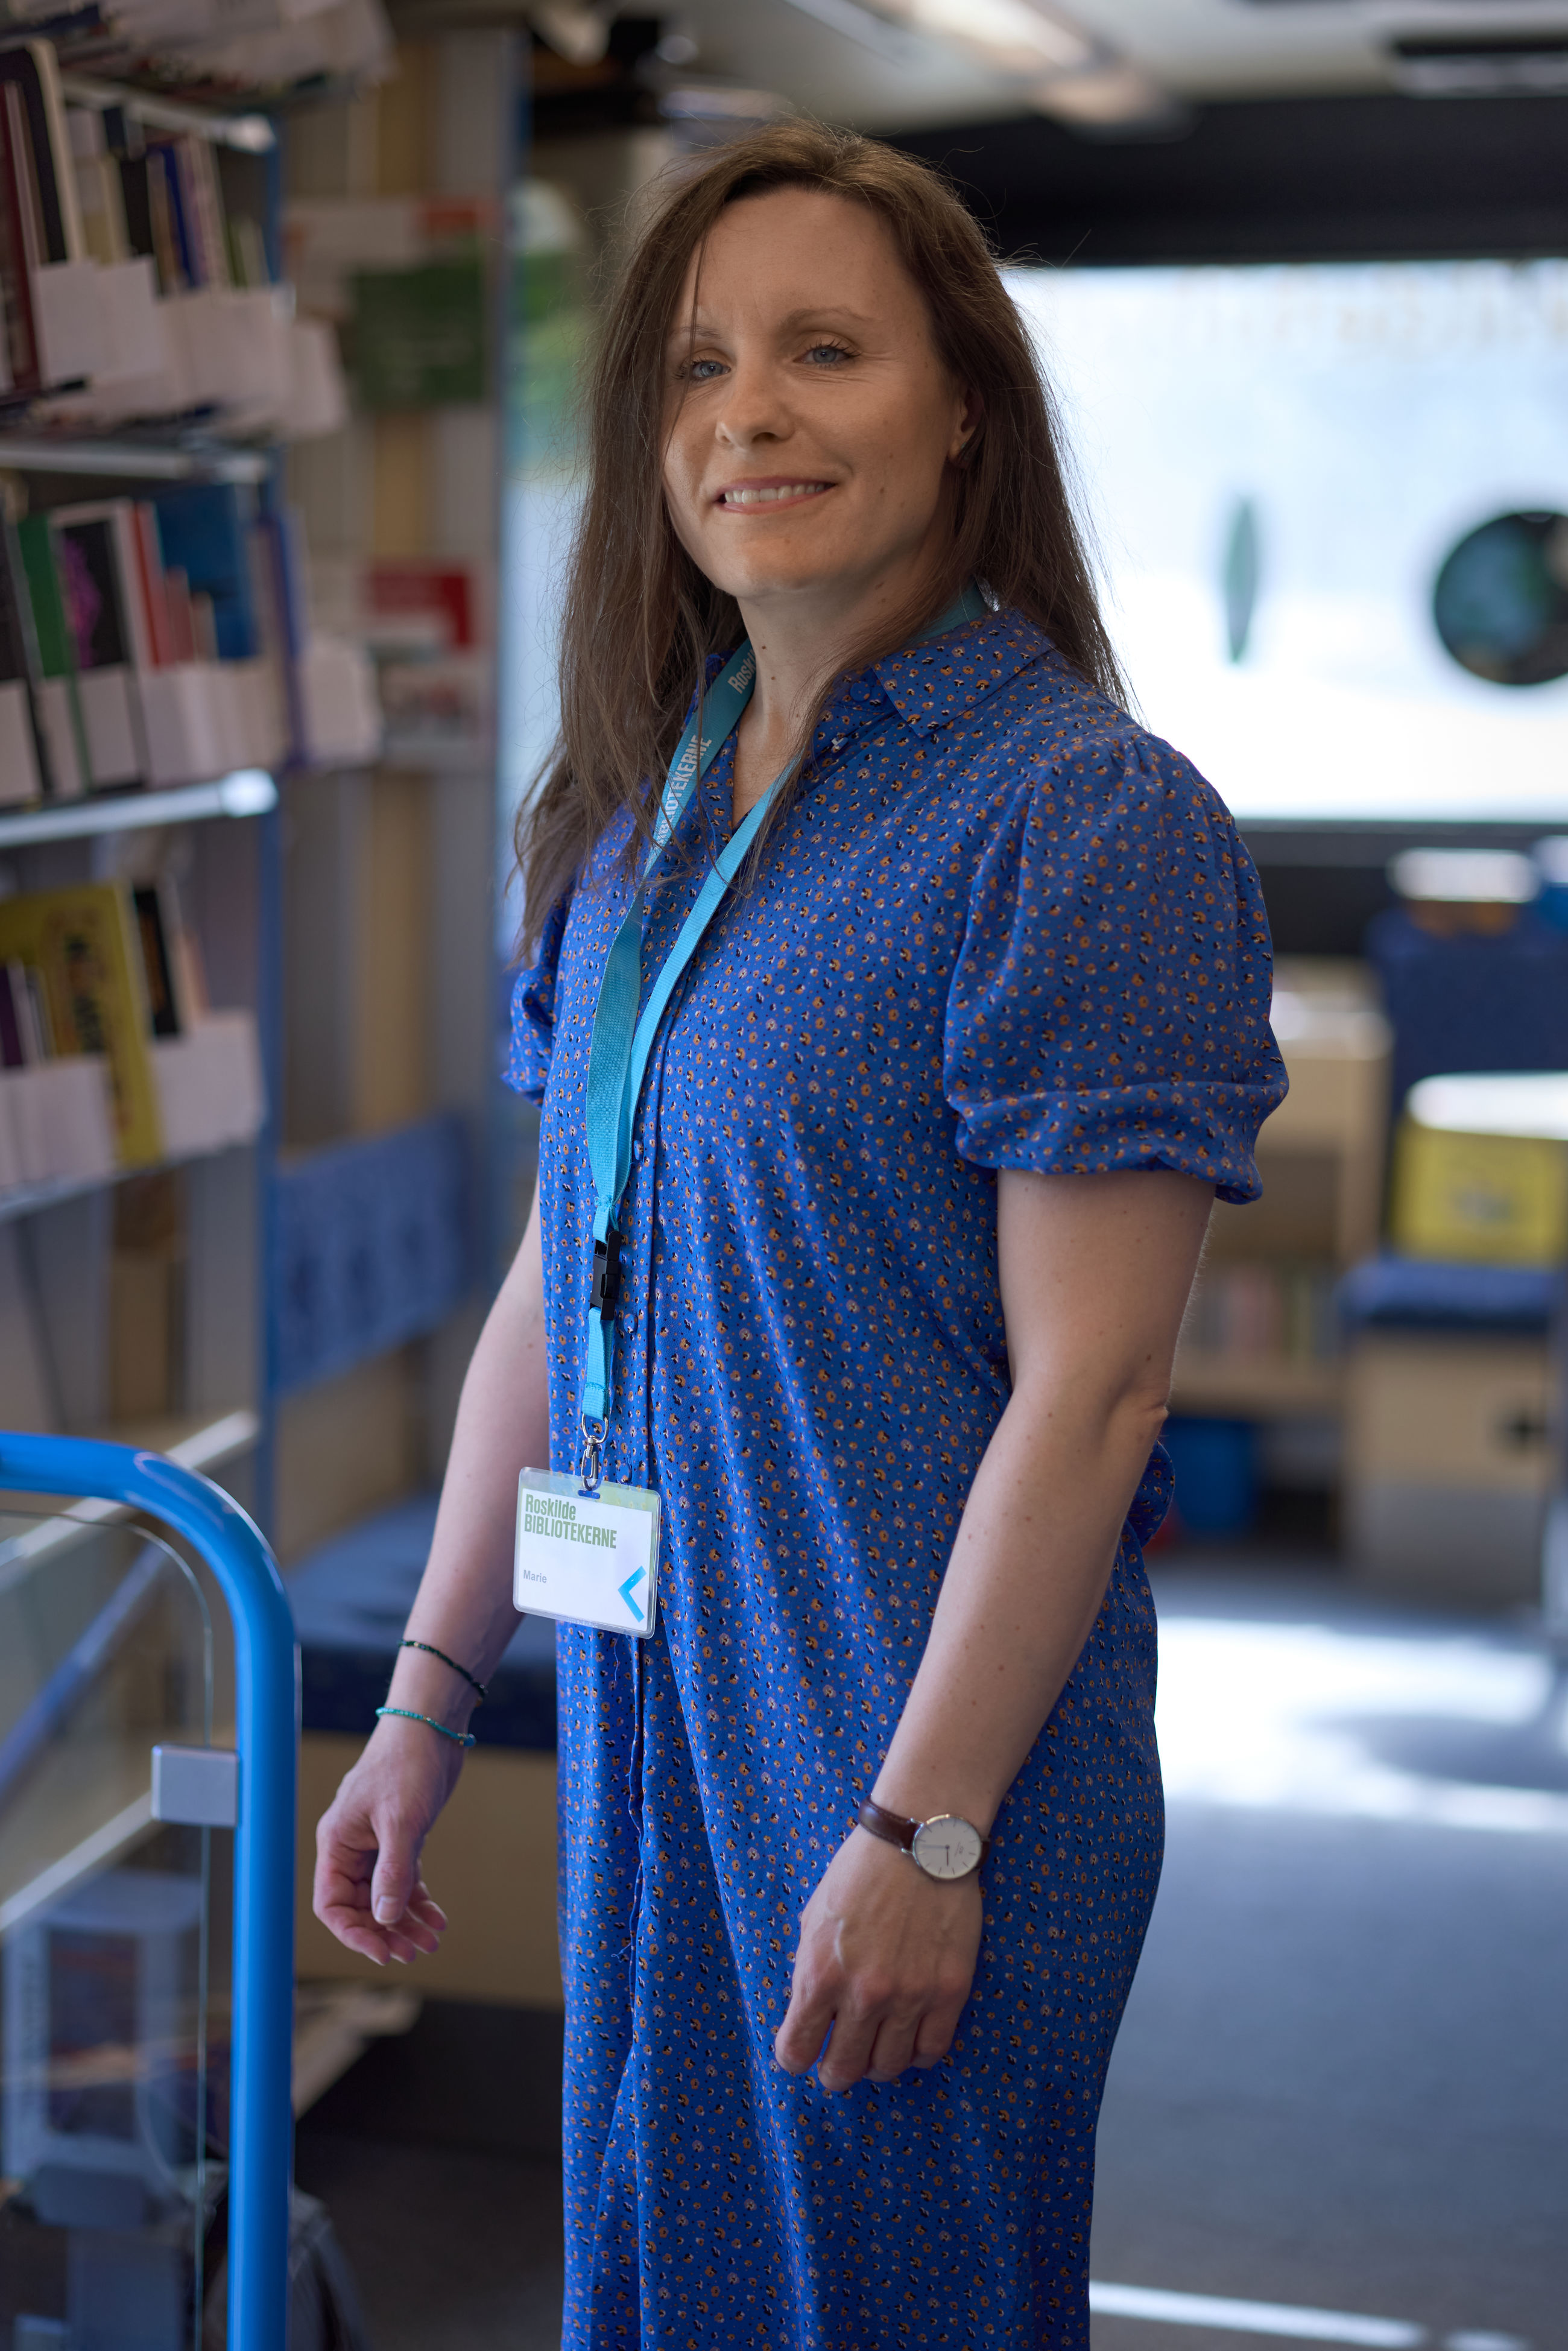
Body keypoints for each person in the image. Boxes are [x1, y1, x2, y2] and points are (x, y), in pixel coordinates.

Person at [313, 121, 1287, 2350]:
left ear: (965, 410)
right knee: (661, 2287)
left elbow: (1098, 1387)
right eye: (698, 365)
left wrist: (927, 1829)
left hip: (911, 1746)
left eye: (825, 351)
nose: (748, 411)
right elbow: (556, 1276)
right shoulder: (633, 810)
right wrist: (429, 1695)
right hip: (651, 1713)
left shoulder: (1078, 818)